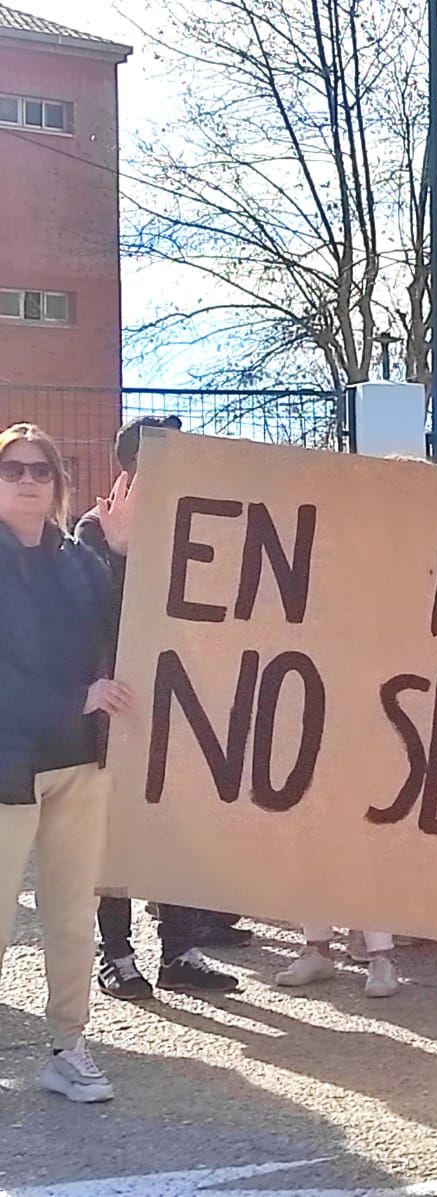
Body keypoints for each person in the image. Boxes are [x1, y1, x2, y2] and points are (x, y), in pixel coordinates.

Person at [77, 416, 240, 1000]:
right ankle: (116, 953)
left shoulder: (196, 524)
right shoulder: (96, 531)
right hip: (119, 710)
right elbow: (92, 615)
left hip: (180, 703)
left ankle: (180, 950)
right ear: (134, 466)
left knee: (180, 830)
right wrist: (121, 551)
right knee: (117, 831)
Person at [0, 423, 132, 1103]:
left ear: (57, 484)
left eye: (41, 470)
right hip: (7, 768)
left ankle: (68, 1046)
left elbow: (123, 630)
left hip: (80, 764)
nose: (27, 480)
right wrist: (73, 698)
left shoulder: (81, 561)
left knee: (73, 914)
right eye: (13, 469)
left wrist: (119, 553)